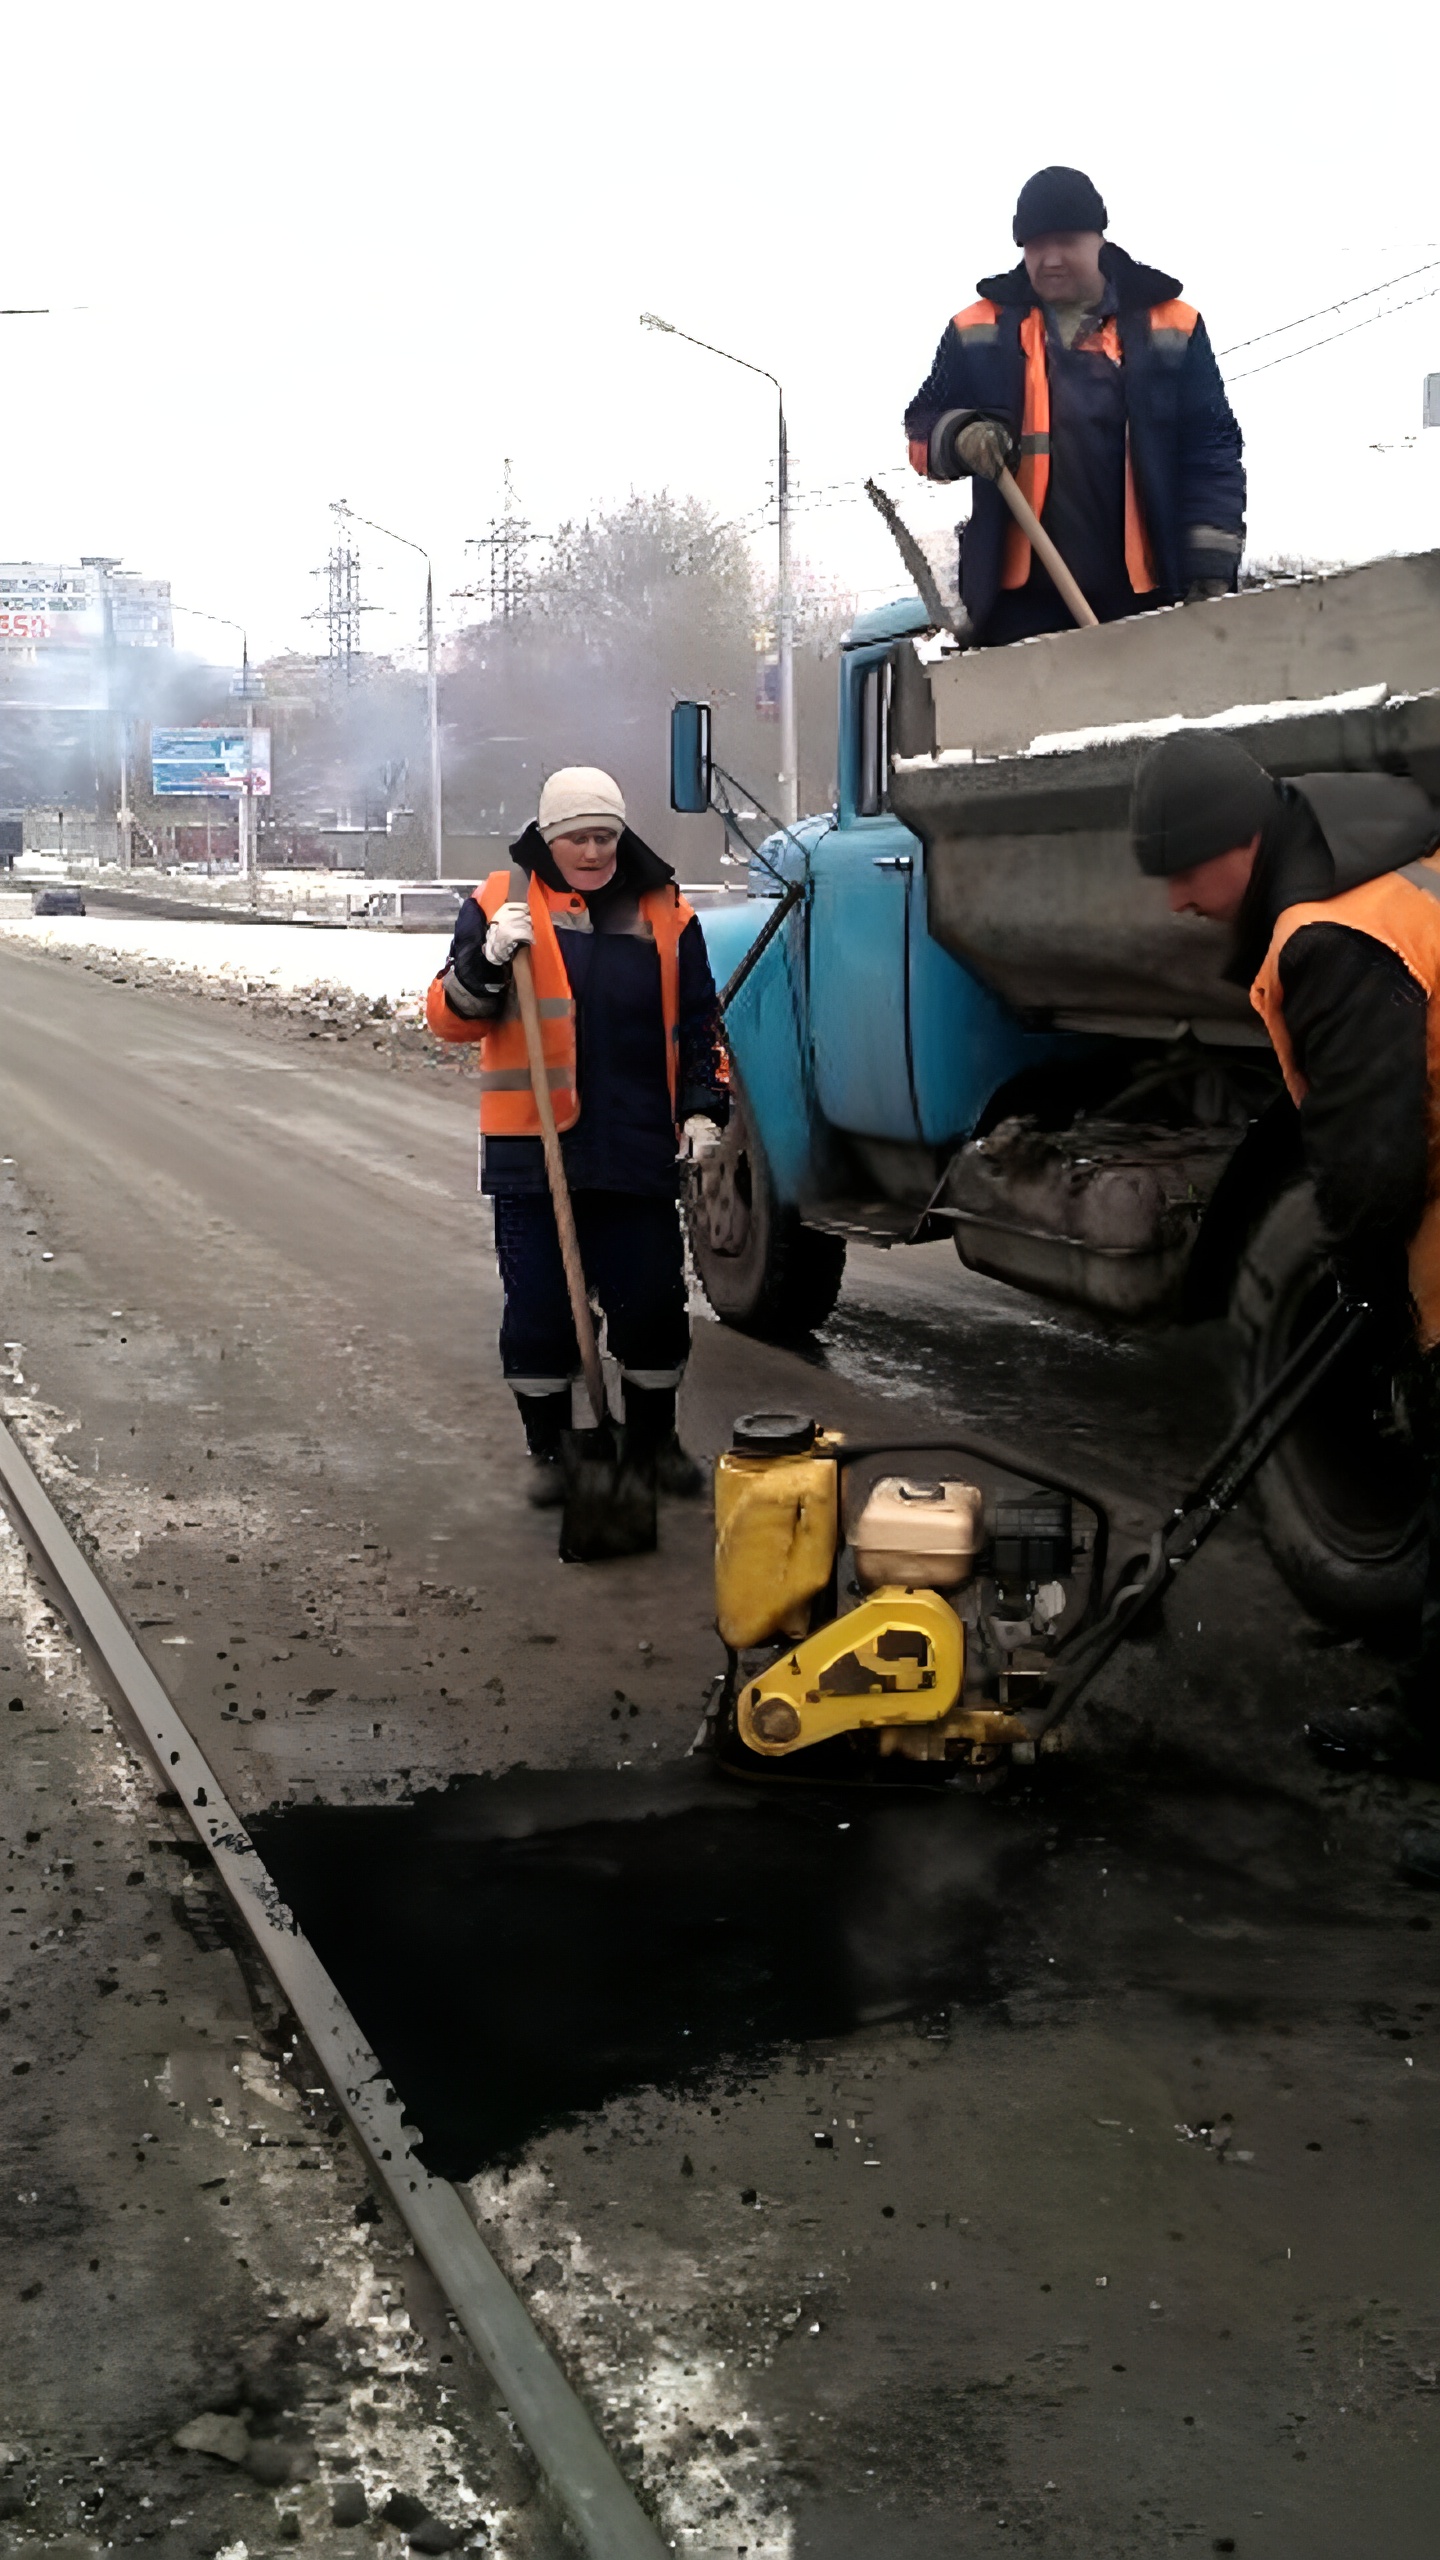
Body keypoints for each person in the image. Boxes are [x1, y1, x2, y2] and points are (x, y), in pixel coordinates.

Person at [1130, 729, 1440, 1781]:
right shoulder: (1389, 865)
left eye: (1183, 870)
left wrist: (1367, 1279)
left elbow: (1372, 1147)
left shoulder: (1332, 937)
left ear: (1241, 841)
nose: (1178, 899)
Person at [426, 766, 727, 1505]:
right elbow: (448, 1019)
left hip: (633, 1146)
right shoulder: (501, 902)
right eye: (578, 838)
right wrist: (487, 959)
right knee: (539, 1314)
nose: (593, 851)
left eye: (605, 836)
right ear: (549, 838)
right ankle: (553, 1452)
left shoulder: (665, 909)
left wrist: (701, 1109)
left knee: (652, 1305)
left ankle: (653, 1445)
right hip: (535, 1151)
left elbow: (698, 1022)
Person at [904, 165, 1246, 646]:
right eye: (1035, 246)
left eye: (1065, 241)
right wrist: (960, 435)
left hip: (1144, 600)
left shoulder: (1172, 325)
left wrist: (1210, 569)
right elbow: (921, 429)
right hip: (1019, 610)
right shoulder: (977, 330)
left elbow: (1211, 454)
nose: (1049, 259)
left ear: (1099, 241)